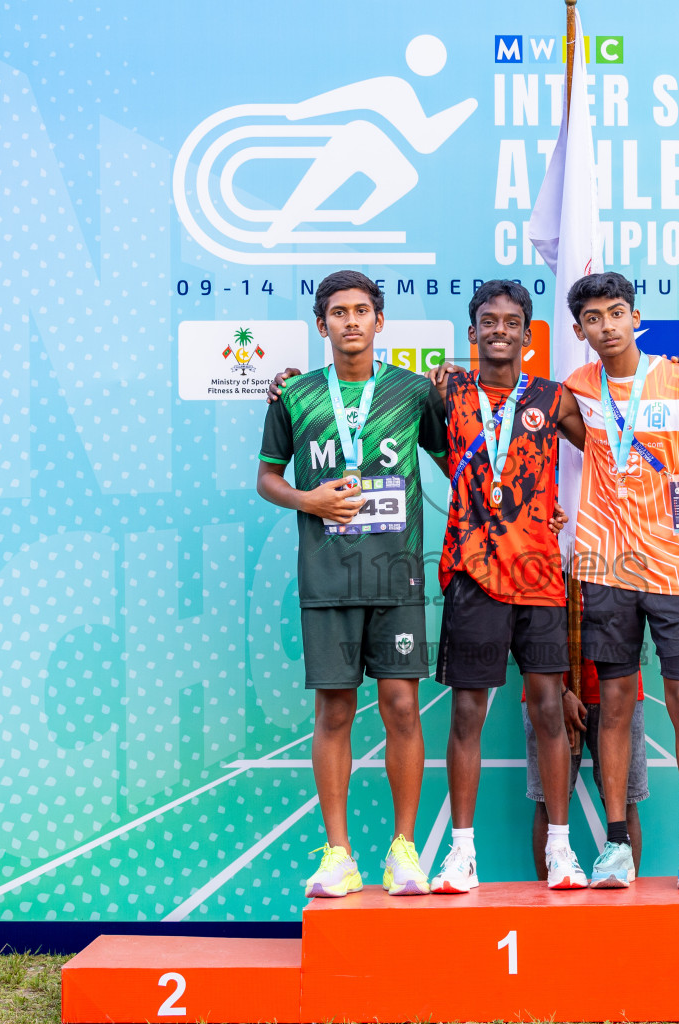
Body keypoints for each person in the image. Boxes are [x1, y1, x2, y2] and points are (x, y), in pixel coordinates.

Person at [255, 270, 449, 898]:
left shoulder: (413, 392)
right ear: (322, 325)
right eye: (338, 312)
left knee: (400, 707)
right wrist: (308, 500)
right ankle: (338, 854)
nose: (351, 321)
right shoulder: (295, 395)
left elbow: (459, 459)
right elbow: (267, 479)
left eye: (362, 310)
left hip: (394, 576)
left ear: (379, 320)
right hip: (328, 579)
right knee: (333, 710)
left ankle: (403, 851)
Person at [421, 280, 597, 892]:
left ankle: (560, 850)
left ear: (528, 334)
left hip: (541, 575)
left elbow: (614, 447)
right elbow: (371, 391)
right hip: (473, 573)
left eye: (512, 321)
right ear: (472, 333)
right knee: (468, 712)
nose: (499, 329)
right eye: (487, 321)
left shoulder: (554, 398)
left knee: (550, 712)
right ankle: (461, 854)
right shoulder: (444, 391)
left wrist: (664, 378)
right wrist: (285, 380)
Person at [563, 272, 679, 889]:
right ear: (580, 331)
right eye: (592, 319)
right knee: (615, 704)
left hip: (676, 566)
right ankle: (615, 845)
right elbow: (505, 399)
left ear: (636, 318)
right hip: (605, 565)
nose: (606, 327)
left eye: (615, 314)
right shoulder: (576, 386)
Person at [524, 660, 646, 881]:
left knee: (626, 802)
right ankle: (548, 903)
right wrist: (559, 691)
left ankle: (627, 906)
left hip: (619, 684)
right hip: (548, 686)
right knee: (546, 804)